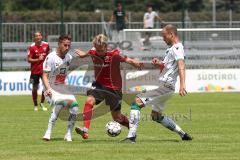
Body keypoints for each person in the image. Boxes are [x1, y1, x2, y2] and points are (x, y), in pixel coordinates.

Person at [121, 24, 192, 143]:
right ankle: (183, 134)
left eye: (164, 36)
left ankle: (131, 137)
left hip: (165, 86)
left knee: (136, 103)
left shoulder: (177, 47)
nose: (163, 39)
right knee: (156, 116)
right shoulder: (171, 49)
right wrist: (159, 63)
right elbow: (167, 66)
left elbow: (181, 65)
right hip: (165, 87)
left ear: (171, 34)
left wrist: (182, 84)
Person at [74, 34, 143, 139]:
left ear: (106, 46)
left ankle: (132, 130)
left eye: (101, 50)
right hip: (99, 85)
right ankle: (85, 130)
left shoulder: (114, 53)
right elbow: (89, 53)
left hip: (114, 88)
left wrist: (135, 63)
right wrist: (83, 55)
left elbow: (127, 59)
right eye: (97, 50)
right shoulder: (93, 51)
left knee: (117, 117)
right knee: (89, 101)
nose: (99, 52)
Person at [42, 35, 79, 142]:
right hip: (51, 87)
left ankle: (68, 134)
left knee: (75, 107)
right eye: (65, 45)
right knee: (60, 103)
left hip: (63, 87)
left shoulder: (69, 57)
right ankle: (48, 132)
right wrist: (48, 89)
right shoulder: (51, 57)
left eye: (69, 45)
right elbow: (44, 75)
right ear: (59, 44)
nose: (67, 47)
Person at [27, 31, 49, 111]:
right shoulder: (31, 47)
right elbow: (29, 59)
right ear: (34, 38)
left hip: (44, 70)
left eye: (39, 35)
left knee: (46, 88)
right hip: (34, 71)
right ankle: (35, 105)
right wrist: (37, 59)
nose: (38, 37)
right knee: (34, 88)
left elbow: (48, 55)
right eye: (36, 36)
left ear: (41, 36)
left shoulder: (46, 45)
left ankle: (42, 103)